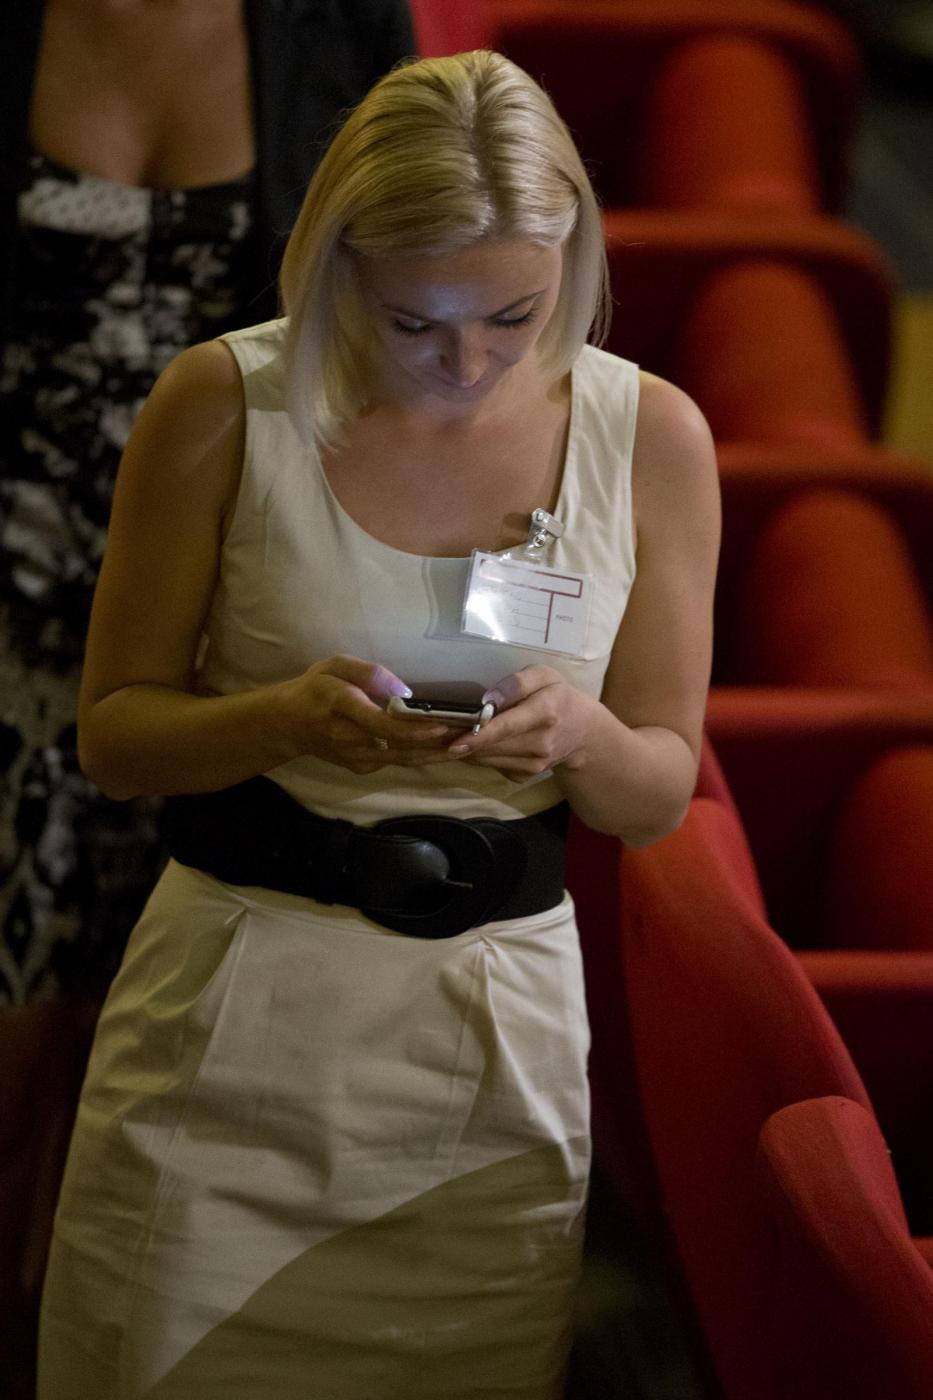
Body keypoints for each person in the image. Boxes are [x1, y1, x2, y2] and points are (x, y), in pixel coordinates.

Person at [37, 49, 720, 1400]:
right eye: (417, 322)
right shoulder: (223, 401)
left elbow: (656, 791)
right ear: (340, 264)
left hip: (491, 1038)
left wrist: (577, 736)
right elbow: (113, 738)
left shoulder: (651, 435)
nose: (466, 364)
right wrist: (279, 720)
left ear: (574, 260)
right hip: (233, 1012)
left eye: (514, 316)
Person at [0, 0, 415, 1004]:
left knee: (167, 990)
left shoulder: (341, 19)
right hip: (16, 569)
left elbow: (396, 290)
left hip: (228, 583)